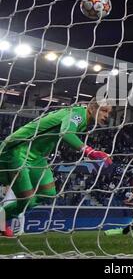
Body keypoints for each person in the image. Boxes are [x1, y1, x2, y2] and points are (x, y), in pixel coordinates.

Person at [0, 98, 113, 236]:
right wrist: (90, 151)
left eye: (109, 112)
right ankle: (1, 220)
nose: (107, 115)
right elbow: (66, 133)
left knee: (48, 193)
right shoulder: (77, 114)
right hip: (17, 150)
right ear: (91, 108)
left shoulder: (82, 120)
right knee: (26, 199)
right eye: (104, 110)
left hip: (37, 156)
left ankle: (2, 218)